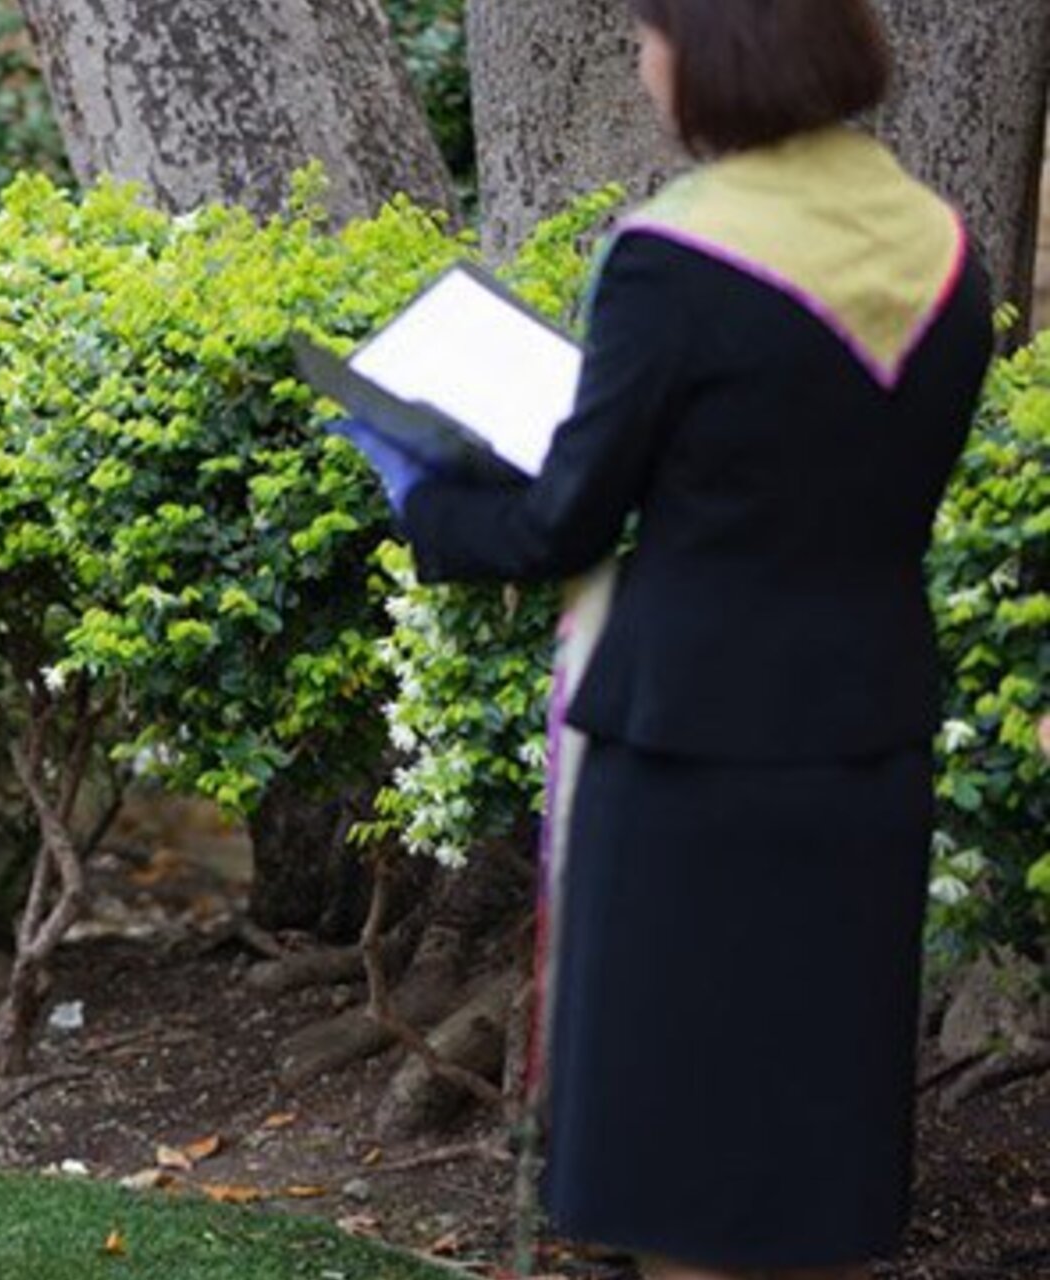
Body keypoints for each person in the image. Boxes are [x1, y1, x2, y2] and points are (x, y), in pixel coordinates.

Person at [335, 3, 993, 1277]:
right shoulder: (944, 245)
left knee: (683, 1151)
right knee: (813, 1127)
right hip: (868, 729)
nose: (644, 64)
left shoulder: (678, 251)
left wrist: (422, 485)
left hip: (690, 743)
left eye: (653, 34)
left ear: (719, 51)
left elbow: (561, 517)